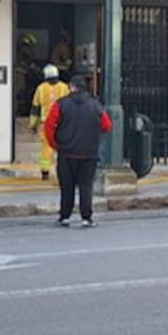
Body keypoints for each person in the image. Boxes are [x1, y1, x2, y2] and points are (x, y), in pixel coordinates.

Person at [44, 75, 112, 227]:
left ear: (72, 87)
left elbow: (49, 126)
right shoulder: (95, 105)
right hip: (89, 153)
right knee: (86, 186)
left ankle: (65, 216)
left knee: (66, 186)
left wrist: (55, 144)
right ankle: (86, 217)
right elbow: (106, 125)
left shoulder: (61, 104)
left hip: (66, 152)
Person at [29, 63, 70, 181]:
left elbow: (35, 108)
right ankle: (63, 172)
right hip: (62, 123)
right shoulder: (64, 87)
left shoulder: (41, 88)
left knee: (46, 149)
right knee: (63, 148)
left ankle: (45, 172)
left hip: (46, 123)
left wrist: (32, 124)